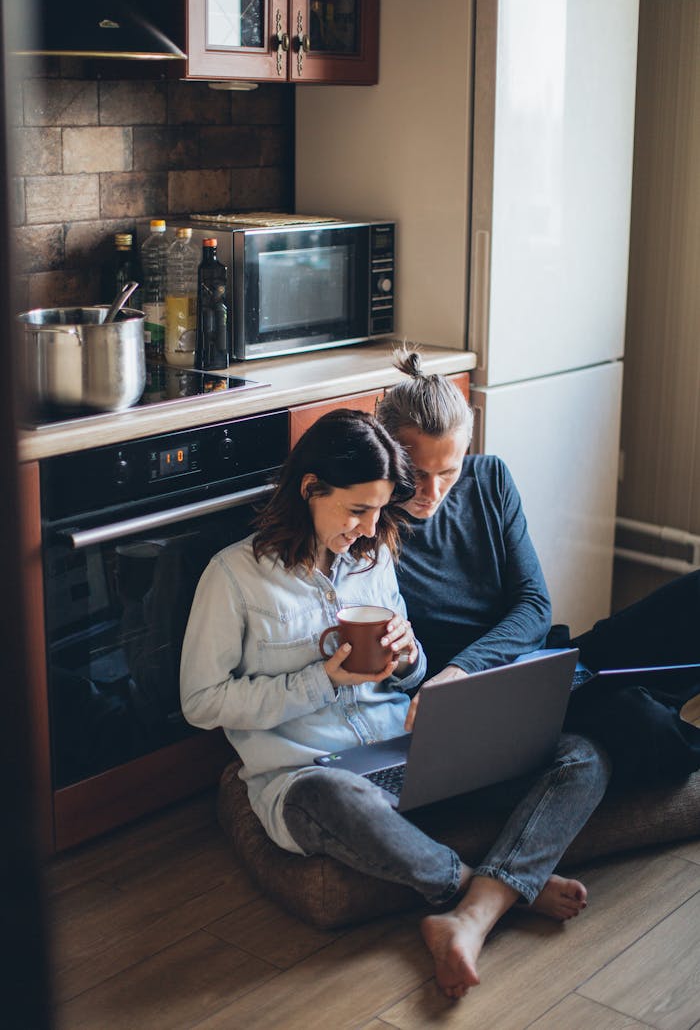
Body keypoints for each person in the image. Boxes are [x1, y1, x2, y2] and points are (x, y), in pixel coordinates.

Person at [180, 407, 609, 1002]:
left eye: (379, 510)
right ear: (311, 489)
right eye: (357, 509)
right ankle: (491, 888)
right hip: (314, 776)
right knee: (338, 795)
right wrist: (319, 681)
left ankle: (472, 908)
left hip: (407, 753)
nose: (369, 526)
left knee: (578, 757)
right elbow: (201, 703)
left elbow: (410, 671)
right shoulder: (232, 579)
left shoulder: (375, 558)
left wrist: (412, 660)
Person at [375, 345, 700, 994]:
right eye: (418, 474)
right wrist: (448, 682)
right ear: (388, 452)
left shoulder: (491, 480)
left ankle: (642, 710)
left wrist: (464, 667)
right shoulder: (369, 521)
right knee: (622, 731)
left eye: (450, 471)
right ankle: (472, 917)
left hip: (548, 664)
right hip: (479, 716)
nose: (433, 493)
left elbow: (533, 606)